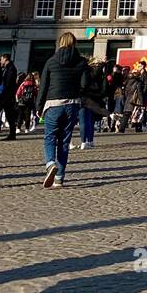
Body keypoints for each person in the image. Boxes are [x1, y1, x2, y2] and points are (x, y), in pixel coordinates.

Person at [36, 32, 88, 188]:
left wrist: (38, 106)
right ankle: (59, 178)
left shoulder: (51, 61)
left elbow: (43, 85)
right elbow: (85, 84)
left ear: (60, 43)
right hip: (72, 104)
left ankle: (50, 163)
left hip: (53, 103)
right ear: (75, 43)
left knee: (50, 136)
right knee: (64, 141)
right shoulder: (82, 62)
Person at [79, 59, 106, 150]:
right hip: (93, 98)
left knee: (84, 121)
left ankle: (84, 142)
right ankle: (90, 141)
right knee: (90, 121)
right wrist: (102, 64)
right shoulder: (96, 74)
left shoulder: (82, 72)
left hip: (83, 98)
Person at [0, 52, 18, 140]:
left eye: (1, 59)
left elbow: (8, 83)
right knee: (7, 116)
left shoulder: (10, 69)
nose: (0, 61)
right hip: (5, 96)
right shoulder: (7, 68)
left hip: (5, 96)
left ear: (5, 59)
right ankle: (12, 134)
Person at [121, 60, 147, 133]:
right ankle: (138, 129)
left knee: (126, 114)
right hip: (135, 101)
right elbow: (140, 92)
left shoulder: (128, 82)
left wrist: (126, 98)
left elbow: (125, 92)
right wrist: (142, 102)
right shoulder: (138, 83)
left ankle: (122, 129)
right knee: (137, 114)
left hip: (128, 100)